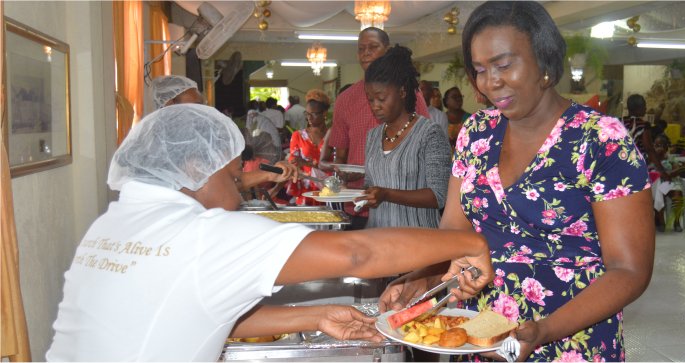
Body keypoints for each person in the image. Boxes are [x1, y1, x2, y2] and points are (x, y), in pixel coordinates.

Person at [46, 104, 495, 361]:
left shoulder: (112, 224)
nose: (240, 184)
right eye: (232, 173)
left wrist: (314, 317)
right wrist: (469, 242)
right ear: (193, 169)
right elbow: (358, 253)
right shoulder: (203, 234)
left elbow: (198, 308)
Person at [379, 2, 654, 362]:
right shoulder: (476, 134)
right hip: (482, 337)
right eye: (479, 70)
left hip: (571, 342)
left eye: (503, 65)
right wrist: (423, 281)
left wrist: (543, 330)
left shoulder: (601, 139)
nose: (490, 82)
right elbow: (453, 238)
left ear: (544, 60)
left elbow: (630, 270)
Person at [356, 45, 451, 228]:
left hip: (417, 241)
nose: (375, 106)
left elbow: (439, 195)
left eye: (381, 99)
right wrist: (354, 193)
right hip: (377, 237)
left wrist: (387, 194)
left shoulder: (430, 133)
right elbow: (371, 184)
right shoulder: (373, 136)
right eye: (370, 99)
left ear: (401, 92)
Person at [150, 75, 296, 189]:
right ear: (169, 105)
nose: (202, 112)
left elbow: (227, 182)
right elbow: (217, 187)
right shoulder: (157, 146)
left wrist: (269, 174)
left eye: (203, 106)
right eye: (196, 106)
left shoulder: (198, 138)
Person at [328, 27, 430, 169]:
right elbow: (340, 155)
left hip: (399, 186)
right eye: (361, 49)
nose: (366, 53)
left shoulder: (407, 91)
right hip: (357, 187)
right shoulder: (345, 99)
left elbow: (426, 139)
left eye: (373, 47)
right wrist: (341, 181)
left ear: (386, 50)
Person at [286, 90, 333, 206]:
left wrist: (307, 163)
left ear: (324, 113)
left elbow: (337, 165)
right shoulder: (298, 136)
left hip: (329, 191)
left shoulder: (333, 135)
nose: (309, 118)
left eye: (314, 114)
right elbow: (293, 164)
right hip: (306, 192)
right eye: (307, 114)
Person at [623, 94, 669, 182]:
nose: (646, 108)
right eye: (644, 105)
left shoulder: (619, 122)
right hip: (637, 167)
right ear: (638, 108)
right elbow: (649, 149)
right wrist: (662, 171)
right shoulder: (643, 125)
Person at [651, 134, 685, 232]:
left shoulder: (670, 158)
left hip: (670, 182)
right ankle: (662, 222)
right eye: (656, 145)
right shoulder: (651, 159)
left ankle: (677, 222)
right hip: (656, 184)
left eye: (661, 145)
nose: (659, 148)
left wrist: (667, 175)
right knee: (658, 194)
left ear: (666, 147)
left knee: (677, 194)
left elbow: (677, 170)